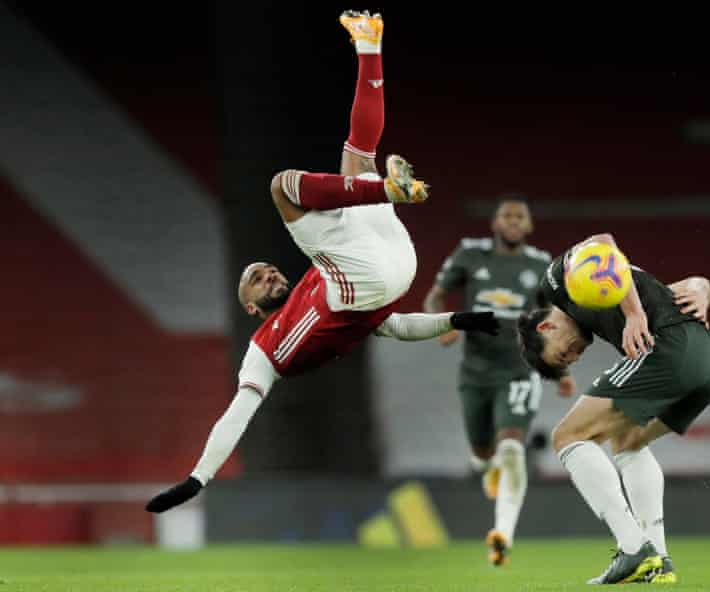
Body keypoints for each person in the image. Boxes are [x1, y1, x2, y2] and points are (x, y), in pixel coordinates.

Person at [146, 10, 499, 514]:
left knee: (357, 153)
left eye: (267, 269)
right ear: (249, 308)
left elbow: (394, 327)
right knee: (282, 186)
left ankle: (368, 45)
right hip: (370, 277)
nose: (266, 272)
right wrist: (197, 480)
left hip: (382, 261)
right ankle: (385, 187)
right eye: (254, 278)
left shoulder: (313, 276)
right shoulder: (263, 349)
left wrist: (460, 319)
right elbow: (236, 415)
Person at [517, 232, 710, 585]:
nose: (575, 355)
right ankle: (658, 561)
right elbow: (676, 288)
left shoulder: (556, 283)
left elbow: (602, 241)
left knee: (567, 436)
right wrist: (702, 288)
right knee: (628, 442)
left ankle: (633, 548)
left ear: (546, 325)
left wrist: (632, 314)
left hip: (671, 350)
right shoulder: (601, 296)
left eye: (563, 353)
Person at [423, 196, 576, 566]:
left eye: (519, 216)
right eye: (506, 215)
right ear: (494, 223)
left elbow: (555, 320)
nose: (512, 221)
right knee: (481, 454)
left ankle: (502, 534)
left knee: (511, 448)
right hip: (475, 371)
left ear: (528, 225)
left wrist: (561, 369)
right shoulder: (470, 255)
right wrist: (440, 323)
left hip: (519, 370)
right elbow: (436, 294)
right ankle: (486, 468)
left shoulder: (540, 264)